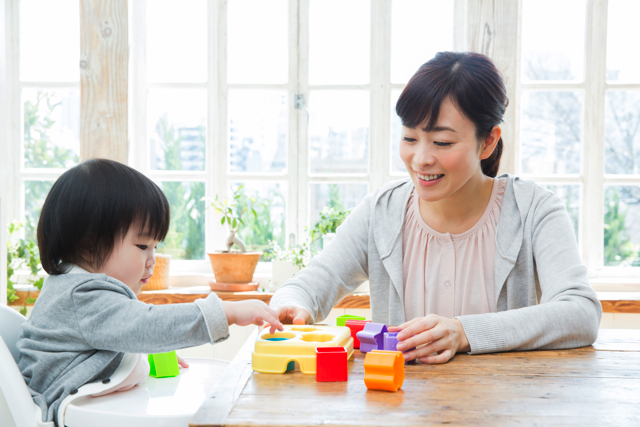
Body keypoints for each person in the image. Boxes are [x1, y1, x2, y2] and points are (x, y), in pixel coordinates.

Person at [271, 51, 601, 364]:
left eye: (442, 142)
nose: (421, 159)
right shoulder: (380, 213)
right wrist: (291, 306)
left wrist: (464, 332)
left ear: (487, 141)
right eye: (409, 138)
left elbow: (580, 313)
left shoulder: (535, 211)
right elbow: (307, 286)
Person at [17, 159, 283, 425]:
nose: (152, 259)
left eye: (156, 246)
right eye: (143, 245)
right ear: (88, 244)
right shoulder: (82, 295)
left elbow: (112, 337)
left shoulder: (74, 289)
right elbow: (146, 324)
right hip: (66, 415)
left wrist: (139, 353)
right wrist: (227, 311)